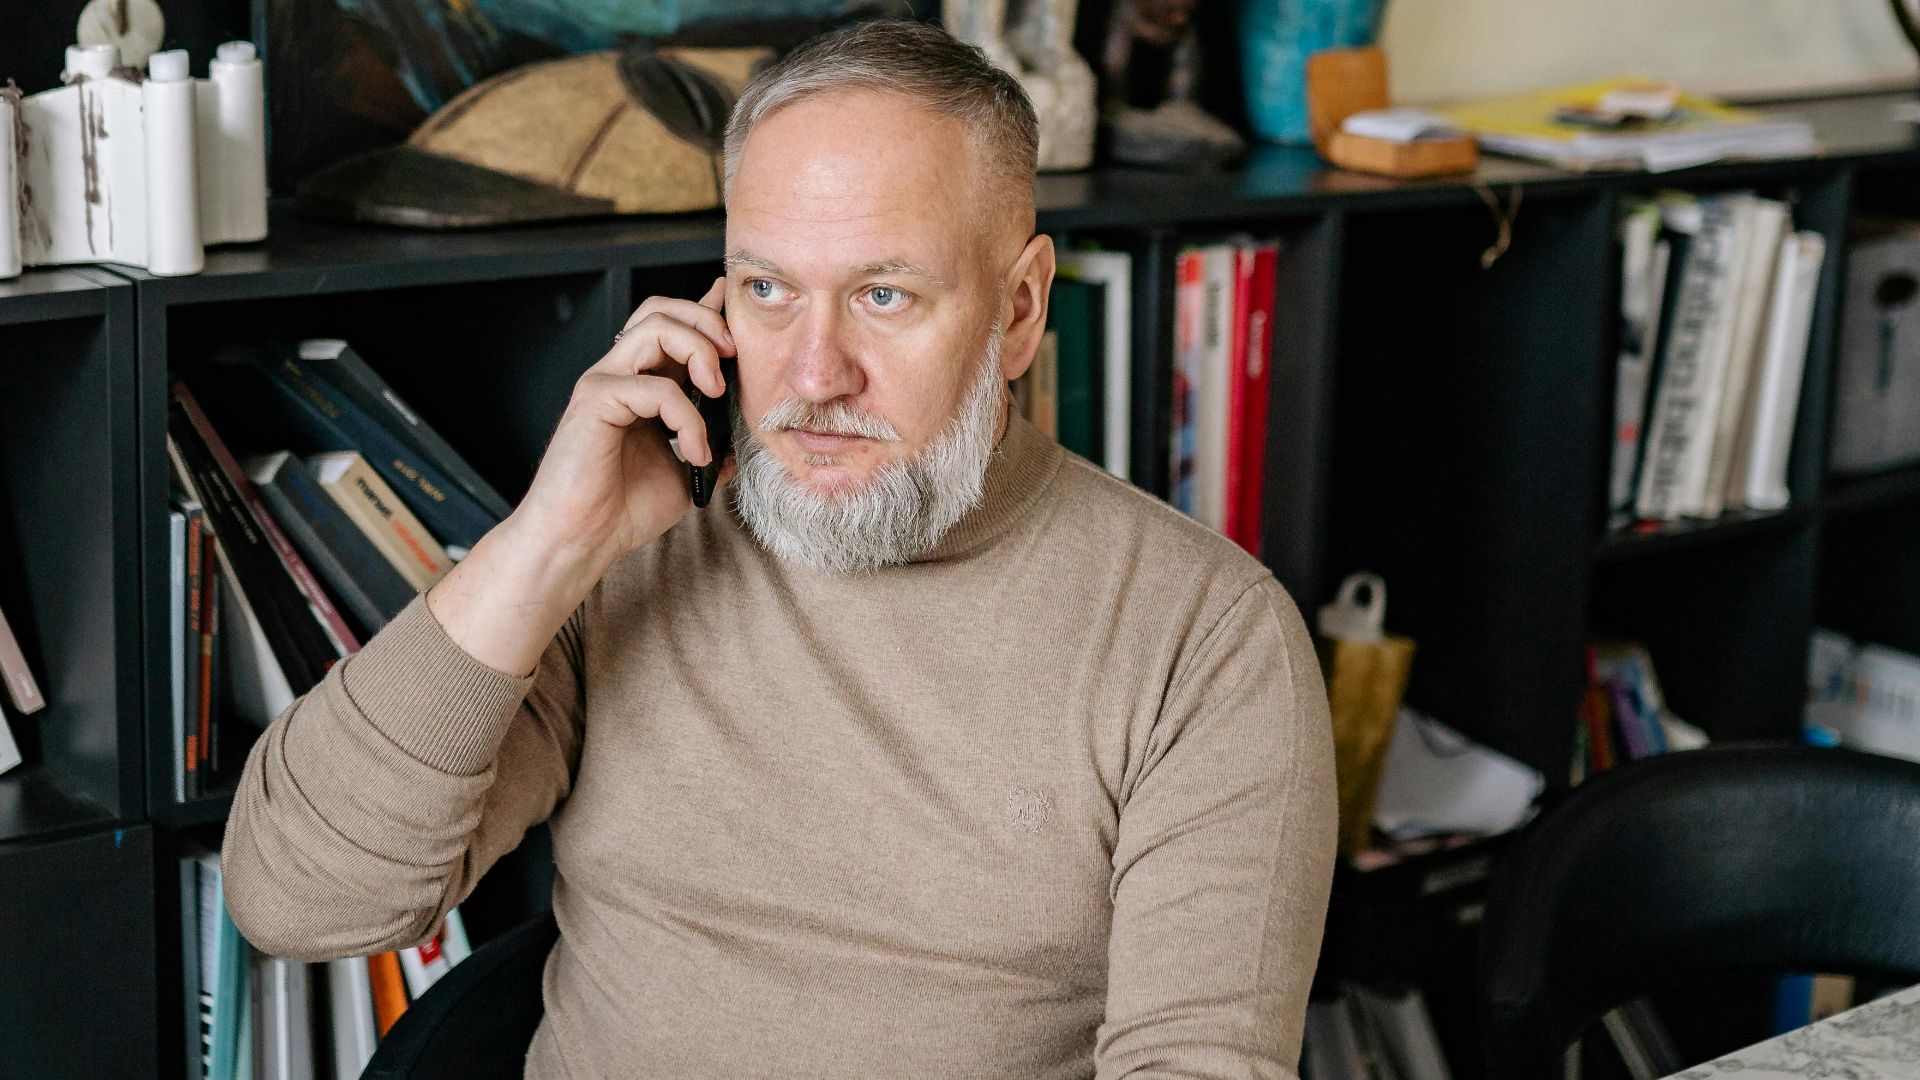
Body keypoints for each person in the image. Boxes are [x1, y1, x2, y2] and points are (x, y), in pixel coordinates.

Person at [223, 18, 1336, 1079]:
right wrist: (549, 540)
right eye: (767, 289)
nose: (813, 375)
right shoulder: (625, 558)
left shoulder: (1206, 641)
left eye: (884, 296)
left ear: (1019, 310)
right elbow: (298, 899)